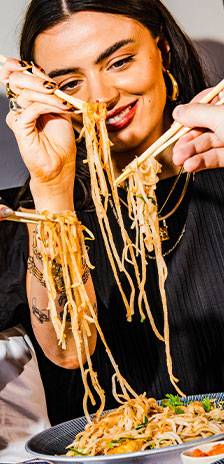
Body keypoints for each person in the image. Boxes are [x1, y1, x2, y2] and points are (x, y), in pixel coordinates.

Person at [0, 0, 224, 427]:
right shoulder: (24, 215)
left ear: (163, 49)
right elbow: (69, 350)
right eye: (69, 83)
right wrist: (52, 183)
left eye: (120, 62)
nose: (102, 97)